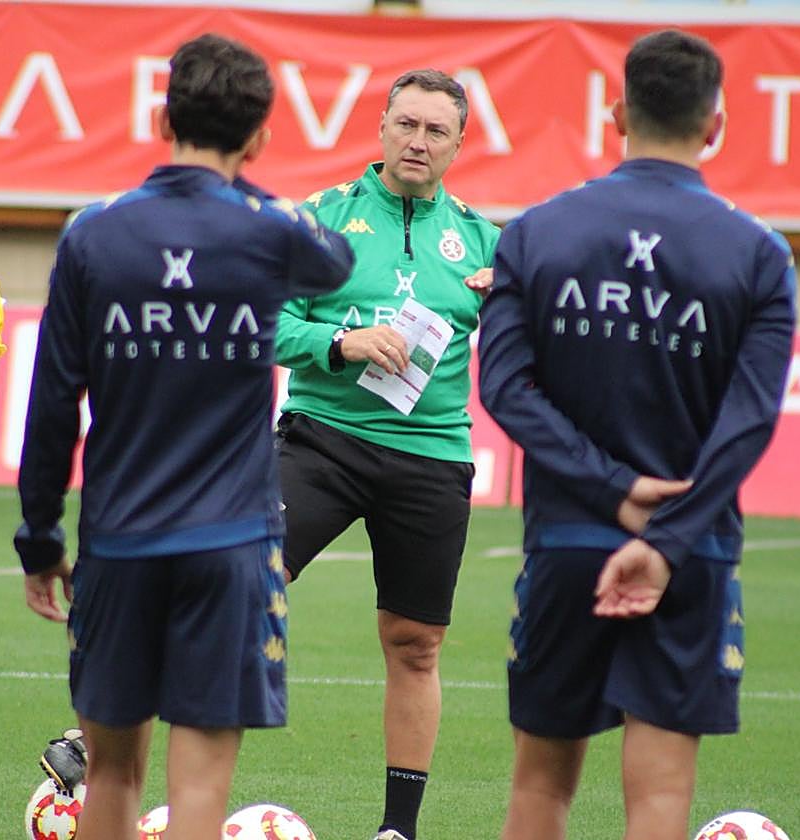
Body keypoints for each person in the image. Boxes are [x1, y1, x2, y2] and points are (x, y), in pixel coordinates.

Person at [14, 33, 353, 840]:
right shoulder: (269, 231)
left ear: (163, 115)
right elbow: (335, 261)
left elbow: (53, 400)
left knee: (112, 778)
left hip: (119, 541)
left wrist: (38, 538)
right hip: (231, 543)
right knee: (200, 788)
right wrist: (242, 181)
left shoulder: (92, 232)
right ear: (261, 136)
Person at [476, 29, 797, 840]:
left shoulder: (534, 232)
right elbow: (750, 417)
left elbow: (506, 389)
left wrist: (611, 490)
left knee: (539, 793)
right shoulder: (759, 253)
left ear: (616, 112)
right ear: (716, 124)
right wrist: (667, 536)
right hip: (690, 555)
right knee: (658, 803)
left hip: (567, 546)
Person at [274, 69, 499, 840]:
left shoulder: (483, 240)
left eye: (437, 131)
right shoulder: (323, 220)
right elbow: (266, 325)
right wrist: (340, 341)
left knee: (416, 641)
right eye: (407, 124)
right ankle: (96, 739)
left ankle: (396, 830)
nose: (418, 141)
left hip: (431, 455)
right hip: (320, 441)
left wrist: (513, 299)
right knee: (235, 579)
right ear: (381, 128)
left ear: (459, 145)